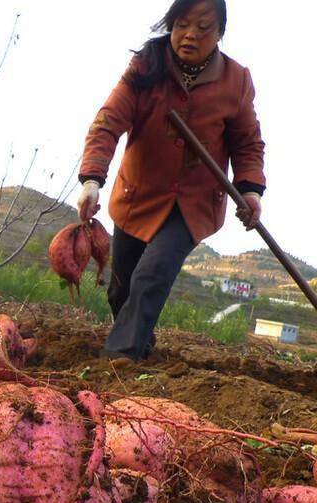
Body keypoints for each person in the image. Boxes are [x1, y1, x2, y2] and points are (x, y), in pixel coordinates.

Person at [77, 0, 265, 361]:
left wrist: (250, 190)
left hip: (192, 204)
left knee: (151, 276)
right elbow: (109, 121)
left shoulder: (235, 80)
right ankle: (140, 344)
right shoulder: (147, 65)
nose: (190, 35)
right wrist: (92, 178)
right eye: (181, 25)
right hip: (139, 195)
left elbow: (248, 143)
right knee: (121, 290)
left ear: (220, 33)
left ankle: (118, 361)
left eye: (203, 28)